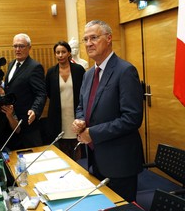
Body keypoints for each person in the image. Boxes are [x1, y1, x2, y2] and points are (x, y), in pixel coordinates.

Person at [72, 20, 144, 202]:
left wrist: (92, 133)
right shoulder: (88, 74)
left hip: (120, 161)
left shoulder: (125, 71)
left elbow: (132, 118)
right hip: (95, 158)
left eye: (94, 38)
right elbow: (82, 106)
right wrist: (80, 120)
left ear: (109, 38)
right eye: (85, 39)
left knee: (121, 206)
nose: (89, 43)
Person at [4, 33, 47, 150]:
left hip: (27, 122)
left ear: (29, 48)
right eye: (15, 46)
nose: (17, 49)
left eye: (21, 46)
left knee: (32, 155)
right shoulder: (11, 64)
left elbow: (41, 93)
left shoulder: (35, 67)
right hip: (12, 119)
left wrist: (35, 110)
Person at [46, 41, 85, 160]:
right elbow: (48, 92)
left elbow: (84, 91)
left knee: (77, 147)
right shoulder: (51, 72)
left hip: (75, 114)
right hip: (58, 115)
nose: (60, 55)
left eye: (63, 52)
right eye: (57, 52)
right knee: (62, 150)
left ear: (69, 53)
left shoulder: (78, 70)